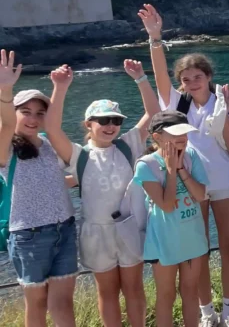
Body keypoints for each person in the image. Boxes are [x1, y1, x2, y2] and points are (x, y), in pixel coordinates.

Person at [138, 4, 229, 327]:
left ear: (208, 77)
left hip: (224, 181)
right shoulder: (178, 103)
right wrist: (155, 37)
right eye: (186, 79)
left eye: (197, 77)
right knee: (198, 252)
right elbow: (160, 76)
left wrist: (223, 118)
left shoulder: (225, 101)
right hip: (190, 184)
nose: (192, 83)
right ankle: (206, 311)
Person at [44, 60, 158, 327]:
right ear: (88, 124)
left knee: (134, 288)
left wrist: (141, 79)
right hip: (96, 232)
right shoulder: (78, 155)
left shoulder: (128, 145)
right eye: (103, 120)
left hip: (129, 226)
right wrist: (60, 87)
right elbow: (51, 129)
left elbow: (154, 114)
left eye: (116, 120)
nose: (110, 125)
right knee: (107, 292)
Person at [0, 52, 78, 327]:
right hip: (29, 235)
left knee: (63, 303)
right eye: (26, 112)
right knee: (36, 304)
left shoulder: (48, 144)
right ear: (14, 113)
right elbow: (6, 125)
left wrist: (60, 87)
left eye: (39, 113)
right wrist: (5, 90)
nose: (33, 119)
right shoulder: (6, 149)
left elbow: (57, 181)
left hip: (65, 229)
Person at [135, 110, 211, 327]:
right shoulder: (146, 165)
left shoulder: (191, 156)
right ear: (157, 137)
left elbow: (200, 195)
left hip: (192, 237)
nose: (183, 138)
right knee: (166, 295)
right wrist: (170, 171)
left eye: (185, 133)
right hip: (164, 241)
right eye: (177, 134)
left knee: (190, 291)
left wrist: (180, 169)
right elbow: (167, 205)